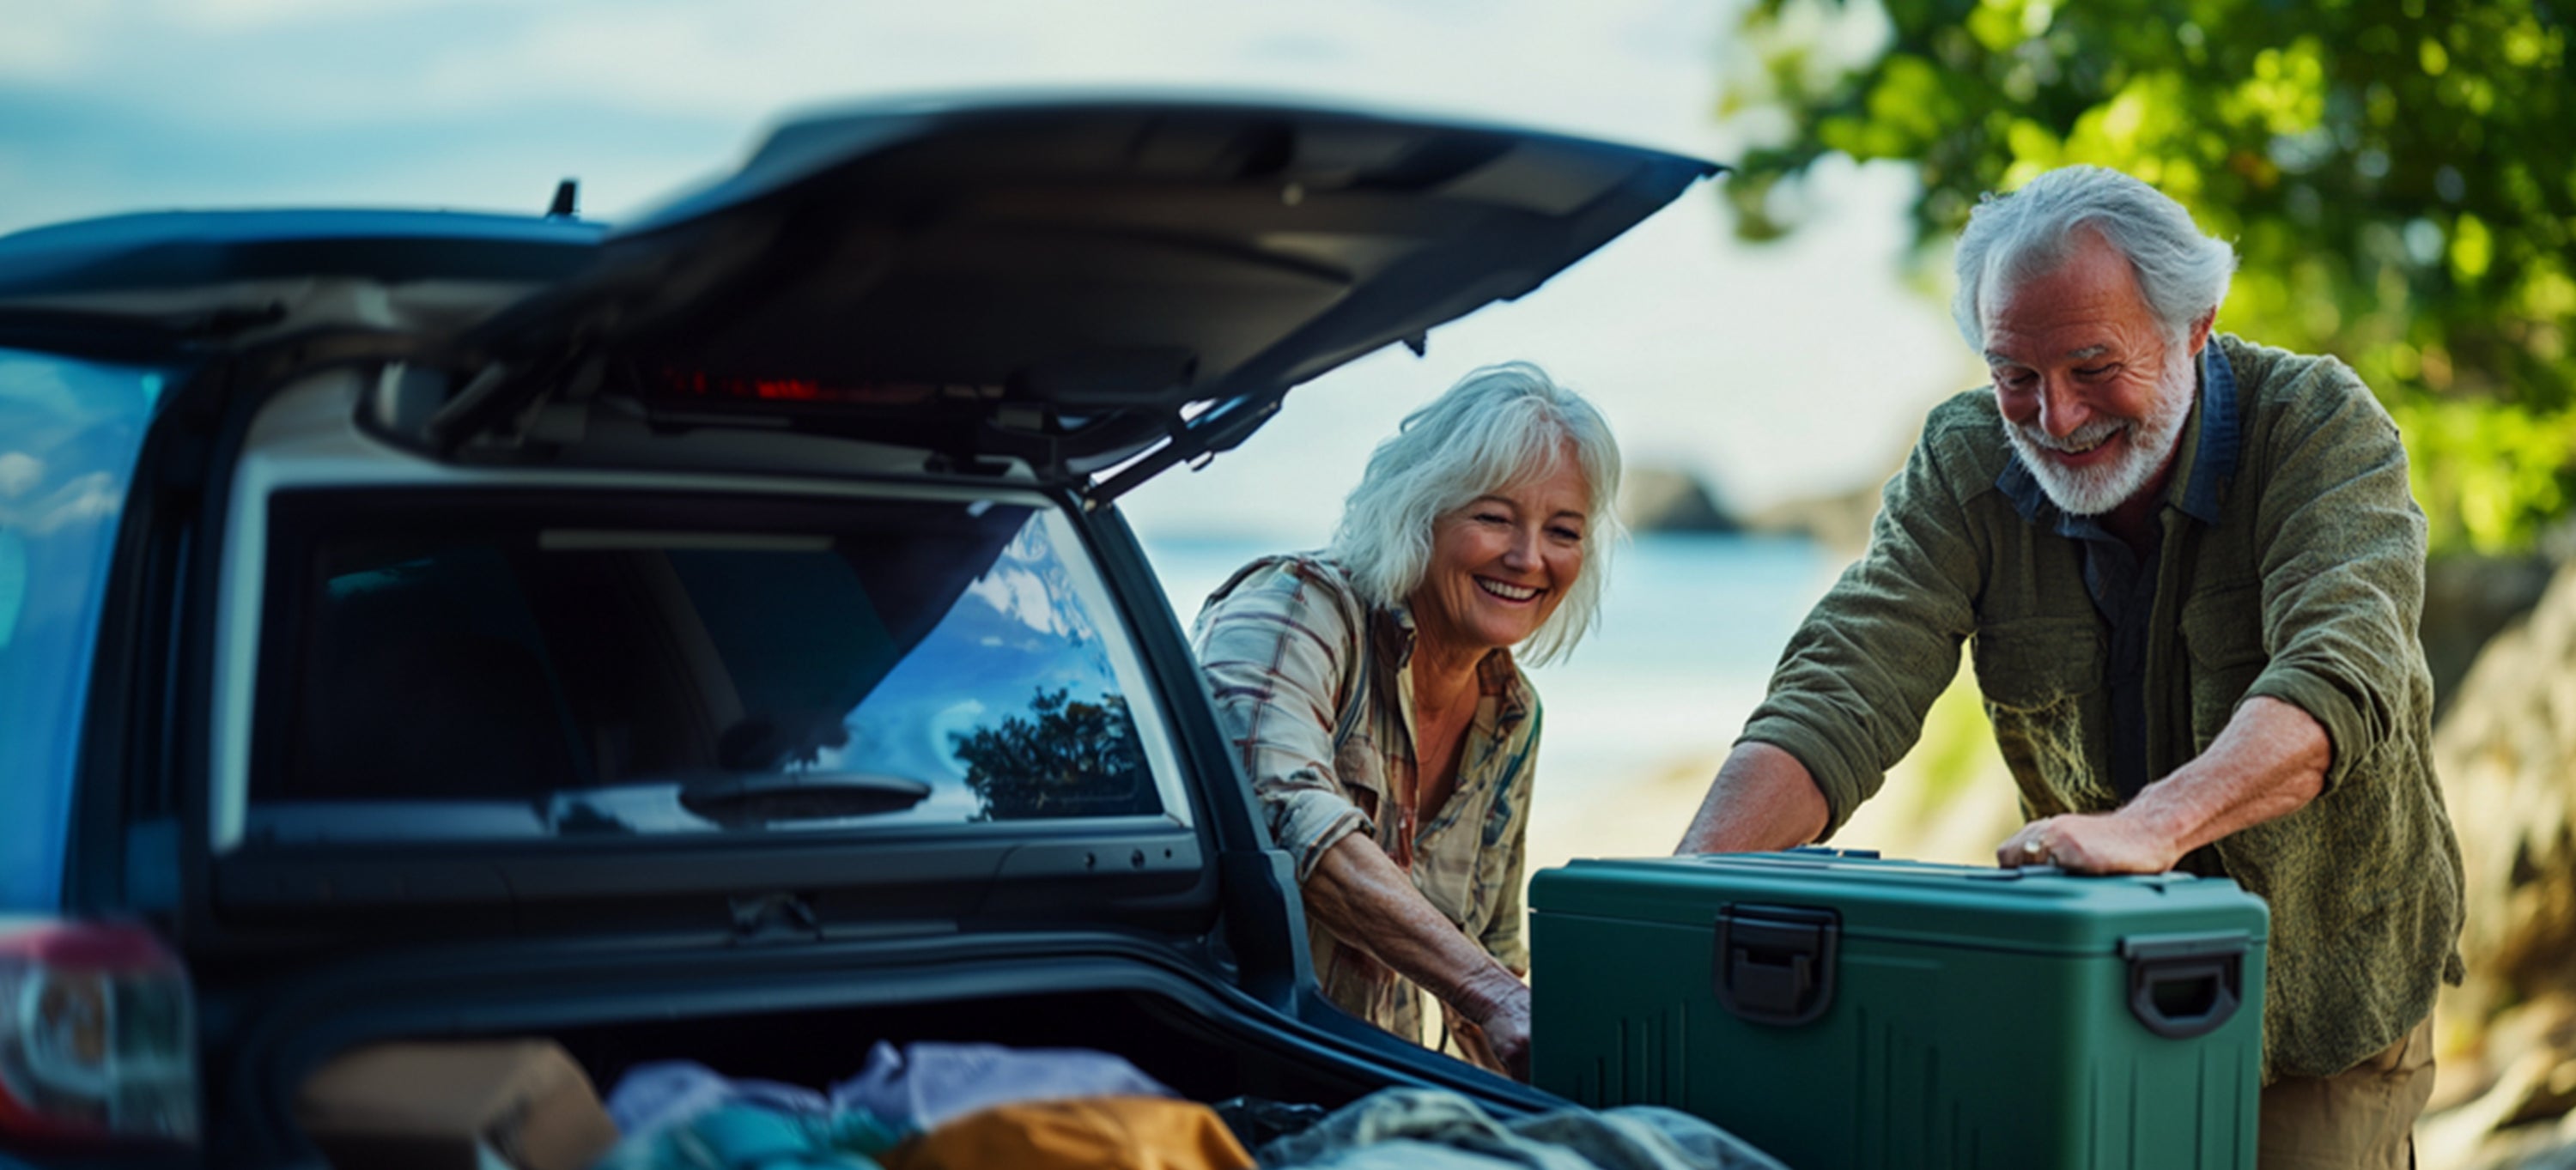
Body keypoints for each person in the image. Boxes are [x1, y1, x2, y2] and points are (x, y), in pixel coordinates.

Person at [1674, 166, 2464, 1167]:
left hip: (2323, 989)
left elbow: (2340, 676)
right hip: (2094, 976)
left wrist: (2148, 829)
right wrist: (1668, 902)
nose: (2054, 416)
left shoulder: (2315, 425)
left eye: (2094, 367)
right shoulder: (1963, 461)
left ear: (2195, 327)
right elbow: (1842, 684)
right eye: (2015, 375)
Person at [1192, 361, 1621, 1082]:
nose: (1528, 558)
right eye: (1493, 517)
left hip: (1372, 1094)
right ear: (1419, 510)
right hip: (1229, 1082)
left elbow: (1495, 965)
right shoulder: (1297, 608)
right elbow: (1282, 812)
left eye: (1563, 530)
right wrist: (1491, 994)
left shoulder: (1511, 714)